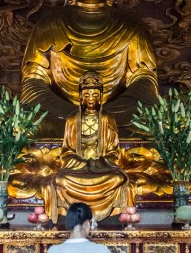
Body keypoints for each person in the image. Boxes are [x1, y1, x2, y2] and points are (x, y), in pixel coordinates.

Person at [21, 0, 158, 137]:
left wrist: (106, 117)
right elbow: (32, 81)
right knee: (28, 119)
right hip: (61, 117)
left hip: (117, 117)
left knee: (149, 117)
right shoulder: (50, 24)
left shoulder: (130, 25)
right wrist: (72, 116)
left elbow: (145, 80)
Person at [48, 70, 133, 222]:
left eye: (95, 95)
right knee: (61, 179)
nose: (91, 98)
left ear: (100, 96)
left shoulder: (107, 118)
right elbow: (66, 151)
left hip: (102, 168)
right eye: (87, 95)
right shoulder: (73, 119)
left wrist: (97, 162)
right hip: (77, 168)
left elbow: (114, 151)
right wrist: (82, 162)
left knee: (118, 178)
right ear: (81, 97)